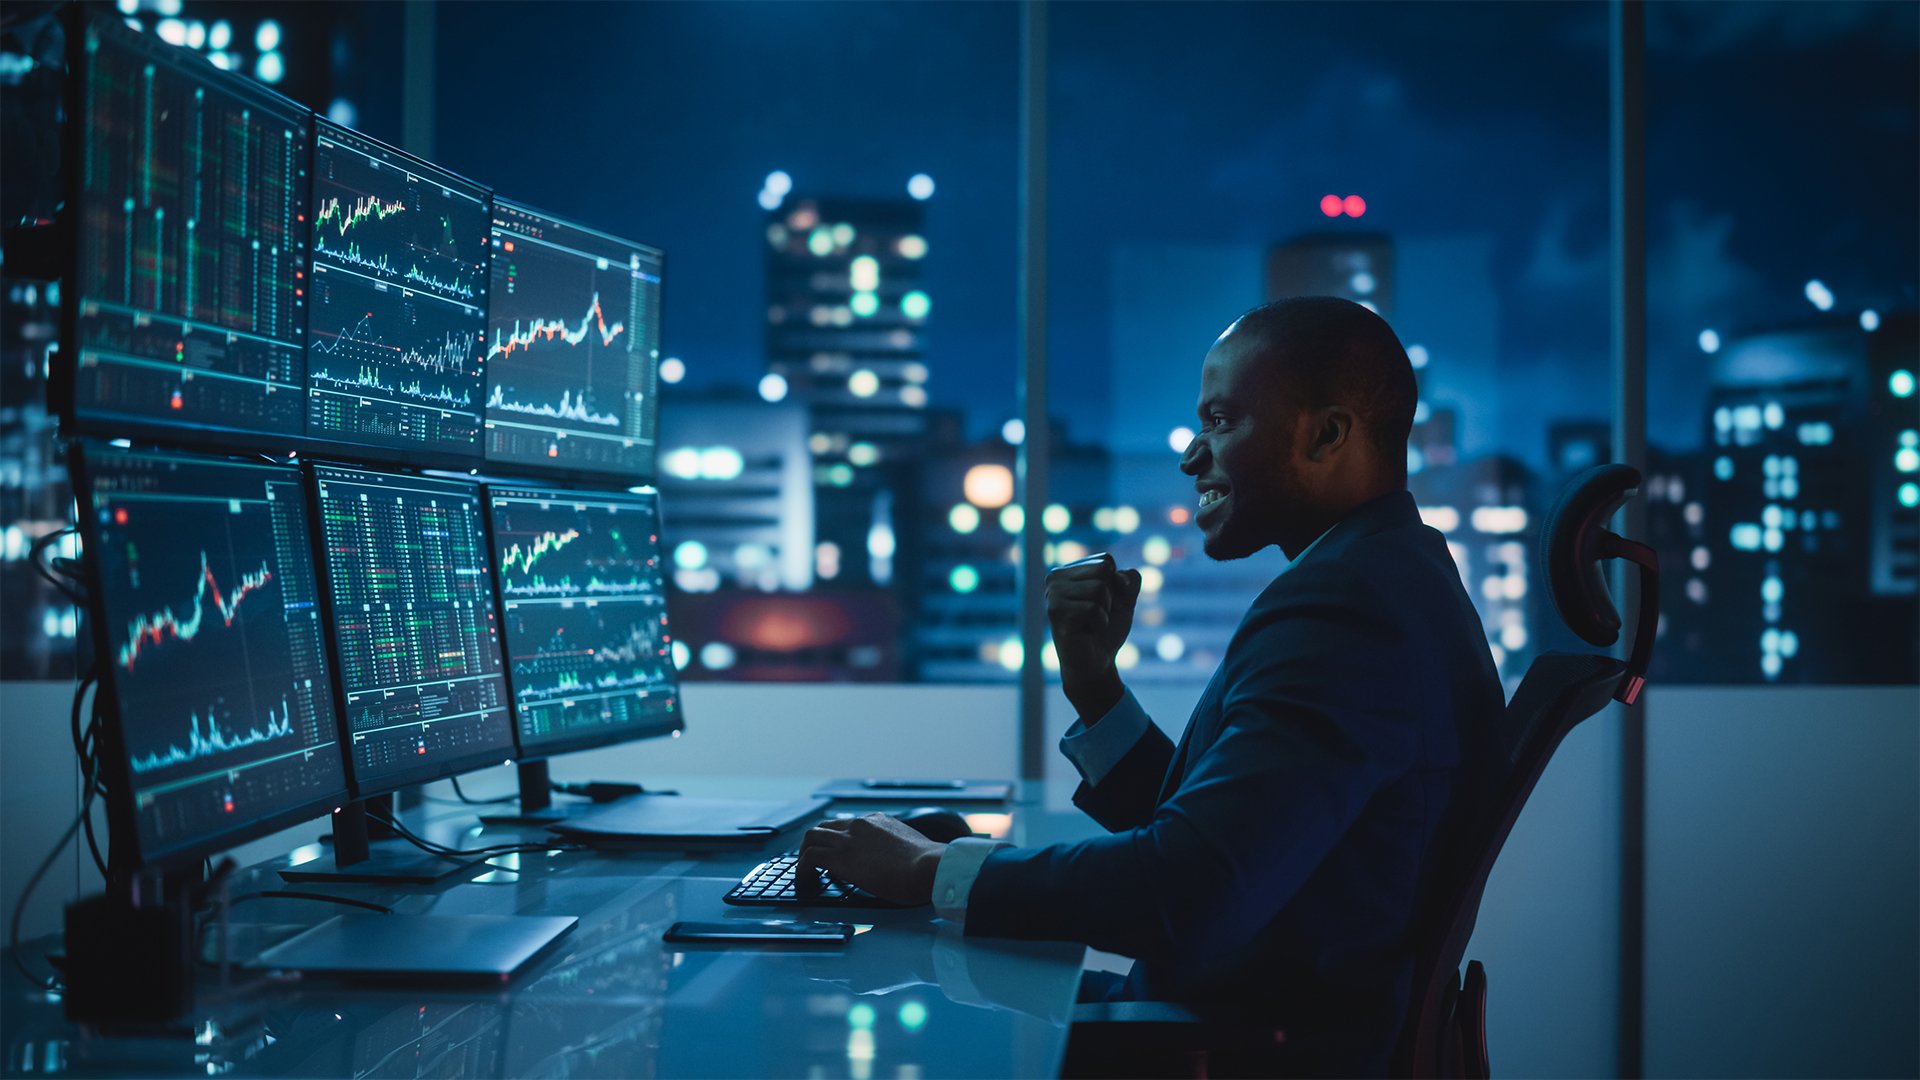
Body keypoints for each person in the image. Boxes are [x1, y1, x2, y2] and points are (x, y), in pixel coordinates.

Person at [799, 296, 1503, 1075]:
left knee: (843, 1009)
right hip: (1232, 1012)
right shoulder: (1389, 574)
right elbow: (1237, 841)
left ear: (1327, 433)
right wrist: (1095, 689)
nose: (1192, 456)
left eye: (1223, 421)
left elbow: (1191, 892)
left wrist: (930, 871)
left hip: (1234, 1042)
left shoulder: (1347, 606)